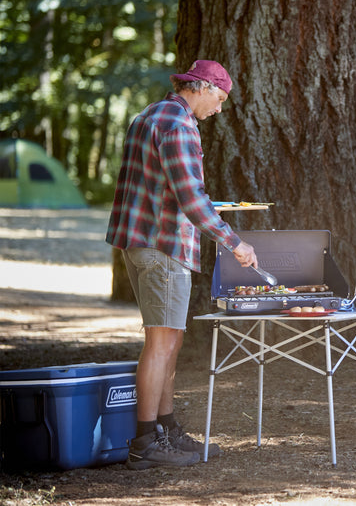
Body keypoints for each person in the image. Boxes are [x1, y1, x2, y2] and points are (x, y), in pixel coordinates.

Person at [106, 60, 258, 470]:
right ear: (203, 87)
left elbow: (157, 185)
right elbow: (191, 199)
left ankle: (165, 429)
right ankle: (144, 442)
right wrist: (234, 243)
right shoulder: (180, 124)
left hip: (140, 241)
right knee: (160, 344)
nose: (220, 108)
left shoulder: (150, 115)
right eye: (221, 99)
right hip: (164, 247)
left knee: (170, 341)